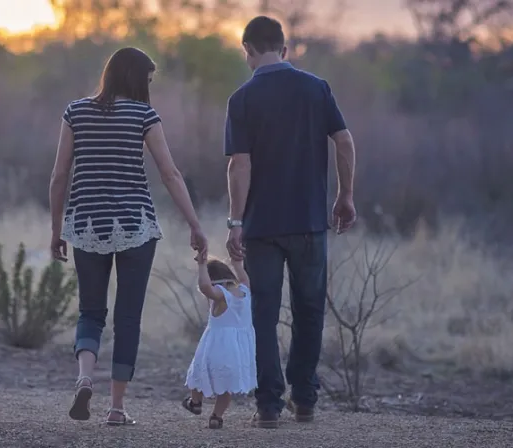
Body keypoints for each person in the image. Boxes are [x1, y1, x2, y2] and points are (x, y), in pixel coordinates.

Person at [48, 47, 208, 425]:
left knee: (90, 311)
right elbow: (170, 175)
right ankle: (117, 408)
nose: (149, 88)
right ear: (137, 78)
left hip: (86, 224)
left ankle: (85, 377)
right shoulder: (144, 115)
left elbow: (58, 176)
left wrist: (57, 230)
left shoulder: (75, 112)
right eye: (148, 80)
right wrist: (195, 224)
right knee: (128, 318)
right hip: (136, 225)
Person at [224, 16, 357, 428]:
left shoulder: (242, 98)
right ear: (284, 49)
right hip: (310, 223)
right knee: (309, 310)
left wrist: (235, 221)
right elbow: (345, 141)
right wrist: (345, 195)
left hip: (262, 226)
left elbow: (239, 165)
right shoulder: (316, 88)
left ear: (246, 50)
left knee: (263, 313)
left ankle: (268, 406)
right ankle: (304, 399)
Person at [181, 255, 257, 429]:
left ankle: (195, 402)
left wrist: (201, 265)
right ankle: (216, 416)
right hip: (238, 350)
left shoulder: (221, 295)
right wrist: (237, 263)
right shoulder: (244, 290)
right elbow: (244, 277)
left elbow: (205, 287)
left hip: (216, 346)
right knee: (226, 386)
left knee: (198, 374)